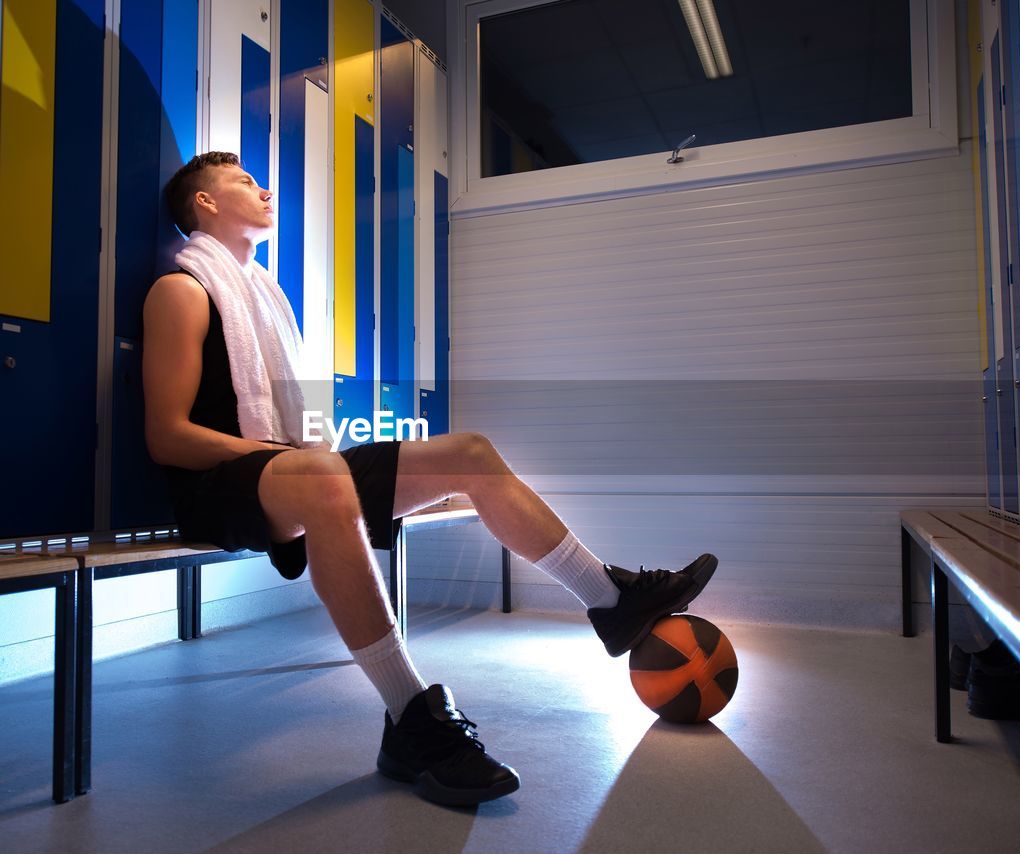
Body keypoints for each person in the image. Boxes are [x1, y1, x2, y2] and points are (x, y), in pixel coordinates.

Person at [141, 151, 719, 807]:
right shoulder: (182, 291)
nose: (264, 188)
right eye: (244, 181)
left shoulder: (264, 297)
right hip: (219, 488)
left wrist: (295, 459)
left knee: (468, 452)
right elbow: (166, 435)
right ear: (206, 205)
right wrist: (276, 455)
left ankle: (613, 601)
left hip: (291, 471)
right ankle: (410, 718)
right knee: (324, 471)